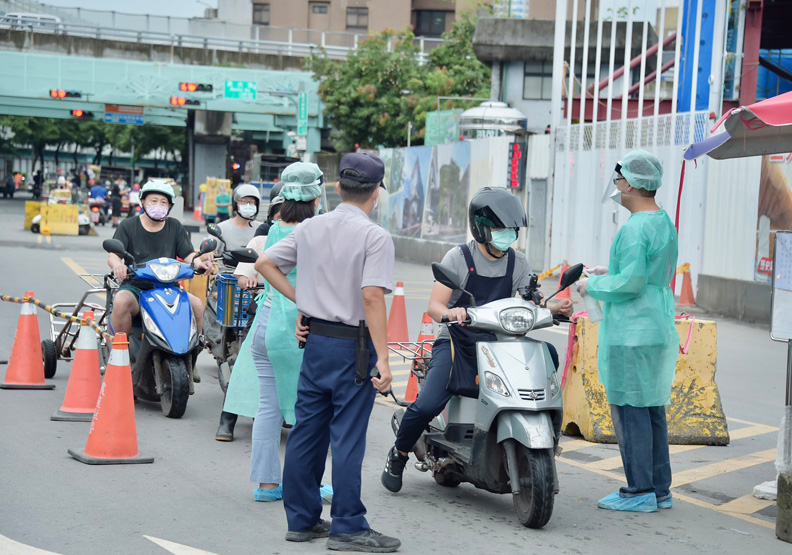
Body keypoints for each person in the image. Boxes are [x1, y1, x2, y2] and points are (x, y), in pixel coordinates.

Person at [380, 187, 574, 494]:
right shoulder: (459, 258)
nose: (509, 236)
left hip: (500, 343)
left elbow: (531, 301)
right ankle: (399, 453)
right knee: (427, 403)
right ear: (481, 228)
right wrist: (451, 312)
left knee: (547, 353)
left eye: (513, 230)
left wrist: (553, 308)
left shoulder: (518, 262)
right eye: (501, 229)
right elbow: (435, 306)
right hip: (459, 342)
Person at [256, 153, 400, 552]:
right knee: (347, 437)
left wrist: (302, 301)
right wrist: (384, 358)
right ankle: (348, 526)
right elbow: (372, 297)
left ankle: (302, 520)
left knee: (307, 430)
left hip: (316, 341)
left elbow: (265, 263)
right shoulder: (375, 236)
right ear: (376, 194)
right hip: (354, 346)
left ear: (337, 189)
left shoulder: (310, 227)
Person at [576, 150, 678, 513]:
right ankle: (660, 489)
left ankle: (639, 491)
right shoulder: (663, 221)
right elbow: (648, 273)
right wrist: (611, 271)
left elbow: (632, 284)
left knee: (629, 409)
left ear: (632, 184)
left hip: (632, 330)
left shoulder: (634, 228)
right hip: (655, 323)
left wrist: (592, 285)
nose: (617, 185)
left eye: (619, 179)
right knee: (651, 408)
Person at [226, 163, 333, 505]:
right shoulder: (313, 231)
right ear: (316, 196)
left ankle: (267, 484)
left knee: (269, 408)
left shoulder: (274, 228)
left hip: (264, 326)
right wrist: (302, 299)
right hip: (294, 330)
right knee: (309, 412)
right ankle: (309, 484)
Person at [107, 181, 213, 336]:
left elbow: (188, 254)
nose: (158, 205)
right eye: (153, 201)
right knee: (121, 301)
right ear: (143, 202)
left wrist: (199, 264)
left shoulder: (175, 226)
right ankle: (120, 346)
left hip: (169, 288)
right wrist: (118, 265)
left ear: (170, 206)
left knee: (196, 305)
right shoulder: (128, 225)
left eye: (163, 202)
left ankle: (194, 346)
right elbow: (113, 256)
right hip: (136, 287)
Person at [213, 183, 262, 442]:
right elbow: (243, 273)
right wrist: (248, 280)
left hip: (295, 312)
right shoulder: (263, 237)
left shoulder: (303, 236)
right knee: (247, 362)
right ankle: (228, 418)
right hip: (262, 306)